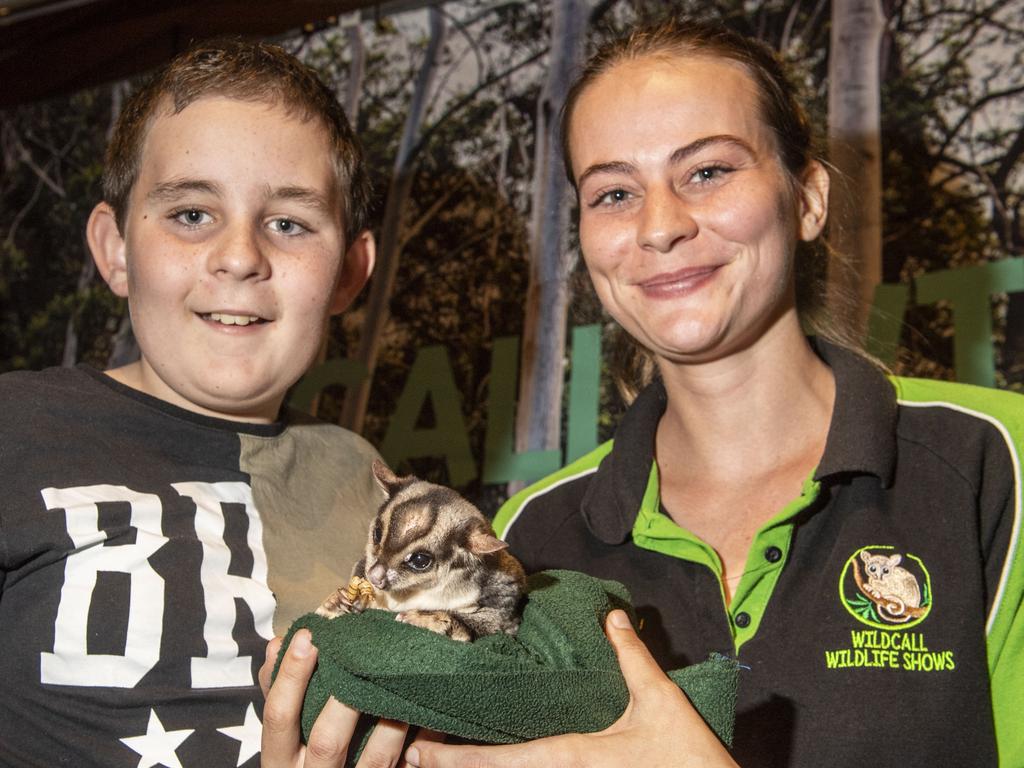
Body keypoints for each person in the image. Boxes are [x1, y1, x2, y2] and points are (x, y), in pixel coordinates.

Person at [405, 17, 1024, 768]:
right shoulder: (535, 532)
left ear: (808, 199)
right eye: (613, 193)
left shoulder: (997, 463)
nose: (659, 226)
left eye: (708, 172)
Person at [0, 40, 387, 767]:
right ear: (115, 251)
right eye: (190, 214)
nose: (239, 256)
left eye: (289, 224)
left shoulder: (364, 481)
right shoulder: (14, 429)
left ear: (349, 272)